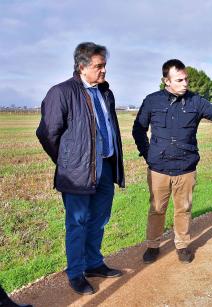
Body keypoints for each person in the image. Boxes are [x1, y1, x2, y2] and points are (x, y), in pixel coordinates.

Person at [132, 59, 212, 264]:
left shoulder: (196, 102)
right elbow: (138, 129)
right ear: (166, 81)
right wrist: (148, 154)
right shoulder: (152, 101)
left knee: (183, 209)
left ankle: (182, 245)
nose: (185, 83)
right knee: (157, 209)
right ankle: (153, 245)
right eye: (179, 80)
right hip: (159, 168)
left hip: (185, 167)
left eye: (186, 79)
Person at [36, 42, 125, 295]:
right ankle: (75, 273)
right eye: (99, 66)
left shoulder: (105, 92)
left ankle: (94, 264)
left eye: (105, 66)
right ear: (82, 66)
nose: (104, 71)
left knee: (99, 220)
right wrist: (67, 161)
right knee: (77, 223)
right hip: (77, 174)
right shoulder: (61, 92)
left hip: (105, 168)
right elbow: (46, 133)